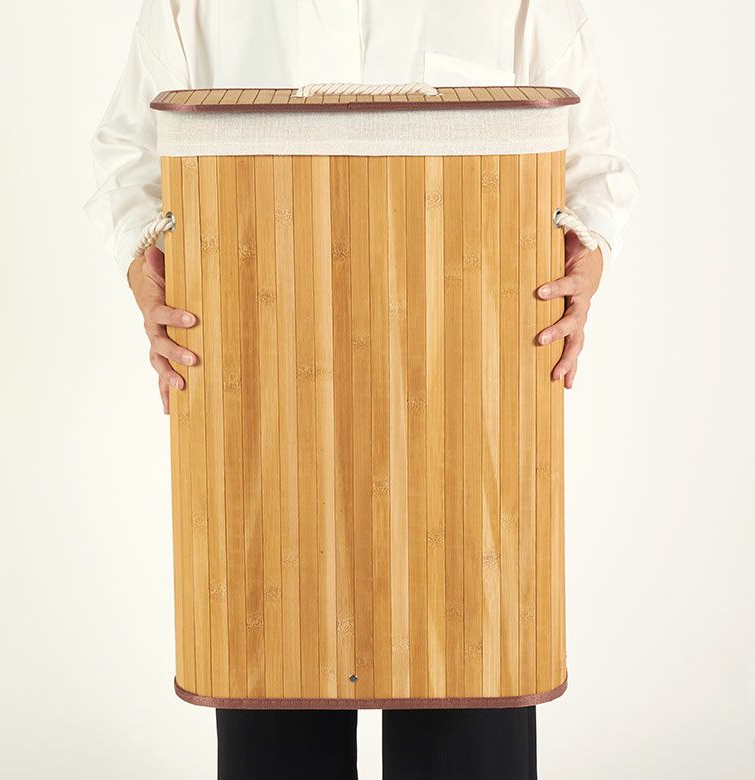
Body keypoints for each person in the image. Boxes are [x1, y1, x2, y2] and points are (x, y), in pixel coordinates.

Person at [84, 1, 638, 777]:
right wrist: (143, 266)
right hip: (260, 410)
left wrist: (589, 254)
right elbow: (130, 155)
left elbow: (591, 163)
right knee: (276, 727)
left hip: (474, 416)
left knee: (471, 725)